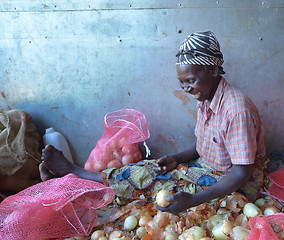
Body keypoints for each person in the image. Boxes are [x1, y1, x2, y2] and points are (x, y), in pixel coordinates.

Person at [39, 31, 265, 215]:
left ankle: (73, 175)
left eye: (191, 80)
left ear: (213, 70)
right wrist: (176, 158)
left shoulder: (236, 110)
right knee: (149, 169)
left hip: (235, 183)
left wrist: (193, 200)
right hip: (206, 168)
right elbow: (201, 146)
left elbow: (240, 174)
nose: (186, 88)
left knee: (151, 183)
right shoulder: (206, 97)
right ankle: (74, 180)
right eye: (181, 82)